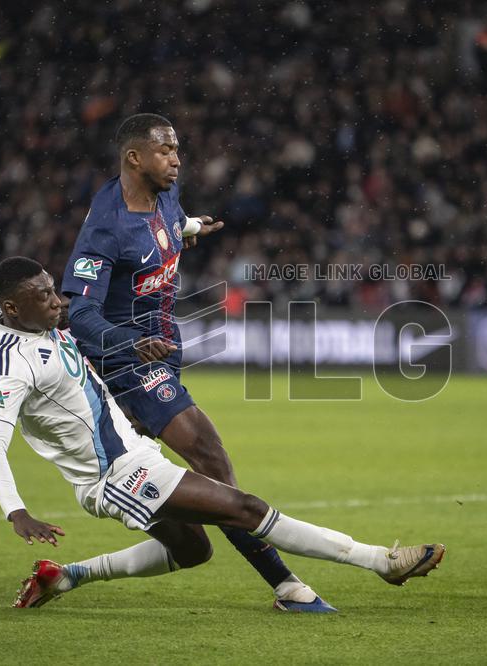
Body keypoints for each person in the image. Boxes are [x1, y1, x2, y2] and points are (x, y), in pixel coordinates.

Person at [0, 257, 445, 609]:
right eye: (44, 298)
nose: (59, 302)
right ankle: (382, 562)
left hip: (131, 451)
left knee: (194, 550)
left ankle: (66, 577)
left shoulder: (14, 315)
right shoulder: (13, 364)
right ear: (14, 309)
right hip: (116, 475)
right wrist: (17, 513)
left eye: (54, 290)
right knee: (245, 509)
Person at [60, 113, 336, 612]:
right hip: (125, 364)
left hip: (164, 348)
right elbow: (78, 312)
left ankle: (80, 570)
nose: (177, 159)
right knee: (211, 459)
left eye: (177, 148)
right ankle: (285, 585)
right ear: (134, 157)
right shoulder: (106, 226)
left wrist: (189, 228)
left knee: (191, 540)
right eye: (166, 150)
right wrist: (128, 343)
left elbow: (165, 230)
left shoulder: (165, 196)